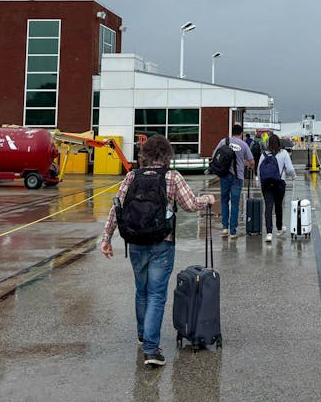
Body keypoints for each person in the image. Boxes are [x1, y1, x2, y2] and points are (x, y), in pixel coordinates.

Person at [100, 134, 215, 368]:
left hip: (135, 243)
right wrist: (208, 199)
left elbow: (117, 207)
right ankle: (152, 350)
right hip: (162, 242)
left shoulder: (132, 176)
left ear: (146, 155)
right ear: (167, 155)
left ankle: (144, 337)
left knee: (141, 291)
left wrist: (107, 239)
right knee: (156, 295)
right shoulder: (172, 177)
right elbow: (190, 204)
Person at [212, 123, 254, 239]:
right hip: (237, 177)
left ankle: (225, 228)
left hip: (224, 176)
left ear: (232, 132)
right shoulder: (244, 144)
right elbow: (251, 161)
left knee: (224, 201)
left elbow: (215, 155)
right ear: (241, 134)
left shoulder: (223, 142)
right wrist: (246, 164)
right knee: (235, 203)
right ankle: (233, 231)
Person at [257, 133, 296, 242]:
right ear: (279, 143)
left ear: (268, 143)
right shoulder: (284, 153)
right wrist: (294, 176)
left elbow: (259, 171)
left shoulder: (264, 154)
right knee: (278, 206)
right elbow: (289, 169)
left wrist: (261, 183)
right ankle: (279, 229)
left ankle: (269, 233)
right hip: (279, 183)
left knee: (268, 207)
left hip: (266, 184)